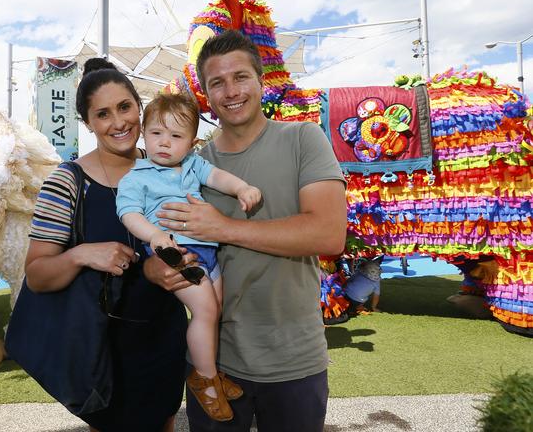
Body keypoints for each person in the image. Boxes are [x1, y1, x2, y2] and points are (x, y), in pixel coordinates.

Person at [147, 30, 347, 432]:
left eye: (240, 77)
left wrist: (225, 227)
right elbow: (159, 232)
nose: (231, 91)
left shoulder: (302, 139)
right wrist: (154, 268)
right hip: (216, 361)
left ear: (261, 80)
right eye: (217, 82)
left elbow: (328, 233)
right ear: (205, 93)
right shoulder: (192, 164)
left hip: (294, 359)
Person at [24, 58, 192, 432]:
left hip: (165, 336)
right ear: (89, 123)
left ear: (139, 106)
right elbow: (37, 275)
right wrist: (83, 253)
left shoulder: (168, 168)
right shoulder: (67, 183)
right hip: (102, 347)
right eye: (103, 114)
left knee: (164, 419)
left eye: (124, 107)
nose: (118, 123)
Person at [117, 93, 259, 421]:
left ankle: (205, 370)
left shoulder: (193, 164)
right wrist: (153, 235)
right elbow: (128, 213)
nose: (164, 142)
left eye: (176, 136)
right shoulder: (136, 177)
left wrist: (241, 188)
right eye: (156, 133)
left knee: (215, 310)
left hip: (208, 250)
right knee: (205, 310)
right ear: (143, 132)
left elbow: (217, 178)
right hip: (176, 251)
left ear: (191, 142)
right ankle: (205, 382)